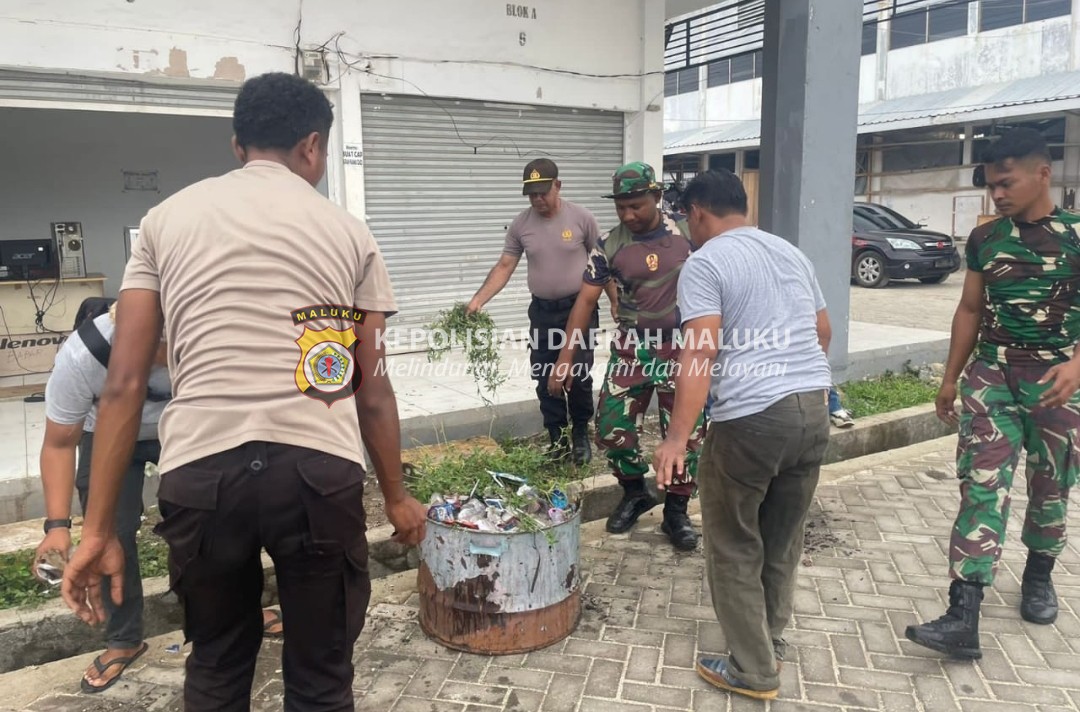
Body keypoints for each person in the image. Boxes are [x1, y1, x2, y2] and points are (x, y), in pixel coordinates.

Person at [60, 72, 427, 711]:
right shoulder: (348, 232)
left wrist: (95, 531)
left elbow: (121, 384)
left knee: (218, 665)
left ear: (237, 145)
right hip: (317, 472)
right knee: (320, 680)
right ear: (313, 146)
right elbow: (369, 387)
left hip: (201, 477)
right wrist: (396, 497)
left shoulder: (162, 221)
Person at [652, 169, 833, 700]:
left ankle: (753, 670)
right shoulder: (789, 253)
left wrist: (676, 438)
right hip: (812, 410)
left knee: (733, 543)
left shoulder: (705, 262)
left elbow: (700, 352)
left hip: (753, 419)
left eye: (688, 218)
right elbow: (822, 332)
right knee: (782, 537)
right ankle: (769, 638)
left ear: (699, 213)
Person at [905, 128, 1080, 660]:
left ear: (1042, 174)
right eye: (991, 185)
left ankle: (1039, 575)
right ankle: (964, 611)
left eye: (1007, 183)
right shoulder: (986, 239)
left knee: (1051, 484)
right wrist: (950, 376)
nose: (997, 194)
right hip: (993, 376)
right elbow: (970, 310)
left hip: (1057, 380)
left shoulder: (1076, 234)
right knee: (981, 483)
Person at [549, 162, 706, 551]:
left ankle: (676, 511)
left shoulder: (688, 234)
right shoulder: (609, 244)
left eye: (636, 205)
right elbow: (585, 301)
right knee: (610, 427)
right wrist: (565, 356)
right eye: (621, 207)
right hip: (633, 347)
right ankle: (635, 492)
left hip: (683, 346)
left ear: (656, 196)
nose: (628, 215)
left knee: (686, 433)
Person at [34, 301, 167, 693]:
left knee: (206, 518)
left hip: (183, 427)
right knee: (111, 534)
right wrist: (57, 526)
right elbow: (59, 443)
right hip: (105, 434)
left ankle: (232, 613)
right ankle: (124, 639)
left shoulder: (209, 340)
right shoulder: (82, 355)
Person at [467, 159, 613, 464]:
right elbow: (505, 265)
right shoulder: (521, 225)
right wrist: (479, 300)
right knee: (545, 374)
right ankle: (557, 437)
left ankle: (580, 434)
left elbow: (602, 266)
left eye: (543, 192)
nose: (537, 199)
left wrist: (615, 301)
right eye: (531, 194)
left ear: (557, 185)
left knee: (579, 373)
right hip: (543, 313)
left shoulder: (582, 219)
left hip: (580, 307)